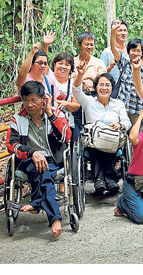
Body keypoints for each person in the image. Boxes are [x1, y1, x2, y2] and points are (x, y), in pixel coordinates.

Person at [7, 81, 72, 237]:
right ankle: (55, 217)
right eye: (26, 100)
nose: (29, 104)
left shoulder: (56, 113)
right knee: (42, 171)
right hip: (28, 160)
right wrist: (31, 152)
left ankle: (37, 202)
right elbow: (12, 144)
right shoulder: (17, 119)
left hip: (53, 159)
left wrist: (50, 113)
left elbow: (66, 137)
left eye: (34, 100)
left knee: (44, 172)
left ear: (43, 99)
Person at [73, 63, 132, 195]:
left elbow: (127, 122)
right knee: (97, 144)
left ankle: (102, 179)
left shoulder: (118, 104)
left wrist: (120, 125)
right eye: (101, 85)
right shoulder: (88, 101)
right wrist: (81, 74)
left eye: (107, 85)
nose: (104, 88)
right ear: (96, 87)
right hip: (93, 141)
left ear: (112, 87)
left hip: (113, 140)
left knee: (110, 144)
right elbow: (76, 91)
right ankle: (107, 180)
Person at [110, 22, 143, 126]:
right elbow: (113, 48)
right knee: (121, 137)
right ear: (129, 51)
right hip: (122, 108)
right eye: (133, 50)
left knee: (136, 138)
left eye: (138, 51)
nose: (135, 53)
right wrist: (113, 31)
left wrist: (141, 87)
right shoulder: (124, 64)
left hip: (138, 109)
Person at [51, 53, 81, 139]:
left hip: (66, 123)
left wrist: (66, 104)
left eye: (67, 65)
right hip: (48, 122)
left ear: (71, 68)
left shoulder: (72, 84)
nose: (63, 67)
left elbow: (76, 106)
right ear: (54, 65)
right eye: (60, 63)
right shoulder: (48, 79)